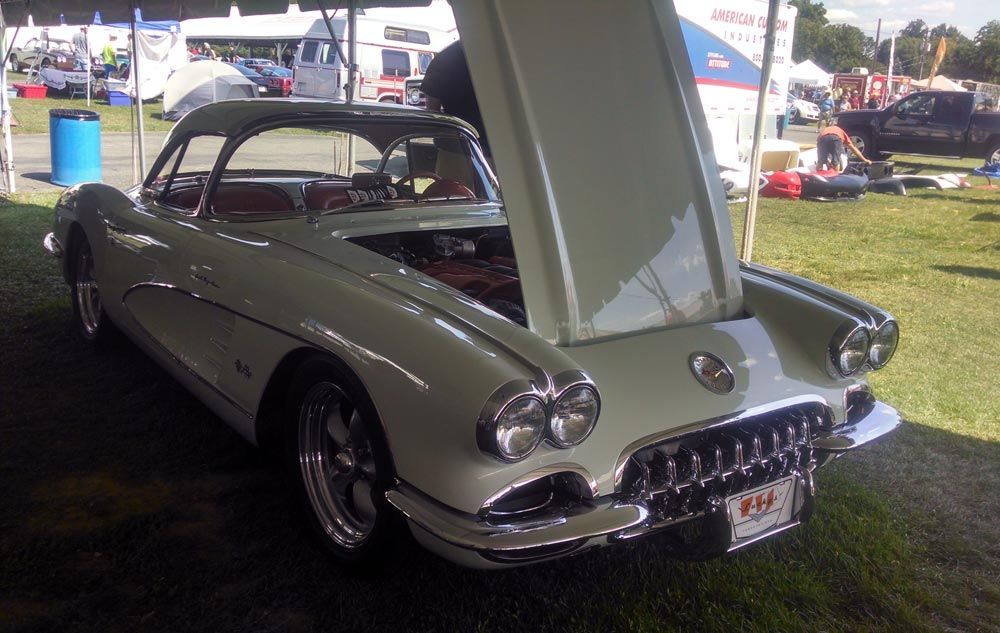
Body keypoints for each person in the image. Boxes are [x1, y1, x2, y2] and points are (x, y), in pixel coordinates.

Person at [421, 42, 490, 158]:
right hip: (497, 144)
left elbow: (432, 109)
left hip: (454, 145)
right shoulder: (497, 52)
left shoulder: (445, 58)